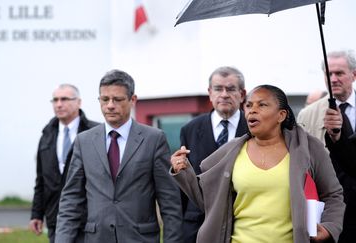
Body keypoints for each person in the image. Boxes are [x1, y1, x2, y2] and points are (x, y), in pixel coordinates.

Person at [171, 84, 344, 243]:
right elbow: (208, 200)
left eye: (262, 105)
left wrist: (330, 226)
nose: (252, 111)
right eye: (248, 105)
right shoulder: (231, 151)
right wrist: (183, 171)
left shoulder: (308, 148)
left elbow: (333, 194)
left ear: (281, 115)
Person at [55, 69, 183, 243]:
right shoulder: (84, 141)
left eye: (117, 99)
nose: (110, 105)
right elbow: (71, 199)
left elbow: (169, 201)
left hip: (139, 238)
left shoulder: (153, 139)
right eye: (105, 99)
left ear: (133, 100)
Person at [178, 66, 248, 243]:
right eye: (218, 89)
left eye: (231, 89)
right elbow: (184, 188)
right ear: (210, 93)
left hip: (242, 224)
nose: (224, 94)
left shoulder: (254, 127)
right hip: (198, 226)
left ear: (242, 93)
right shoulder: (190, 129)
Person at [298, 50, 356, 242]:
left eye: (339, 73)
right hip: (327, 208)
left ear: (354, 75)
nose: (333, 79)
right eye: (329, 74)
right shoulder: (308, 115)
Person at [29, 84, 99, 243]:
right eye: (55, 100)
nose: (59, 104)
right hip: (56, 218)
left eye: (64, 99)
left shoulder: (95, 132)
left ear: (79, 102)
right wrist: (36, 214)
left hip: (89, 220)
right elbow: (41, 179)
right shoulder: (46, 135)